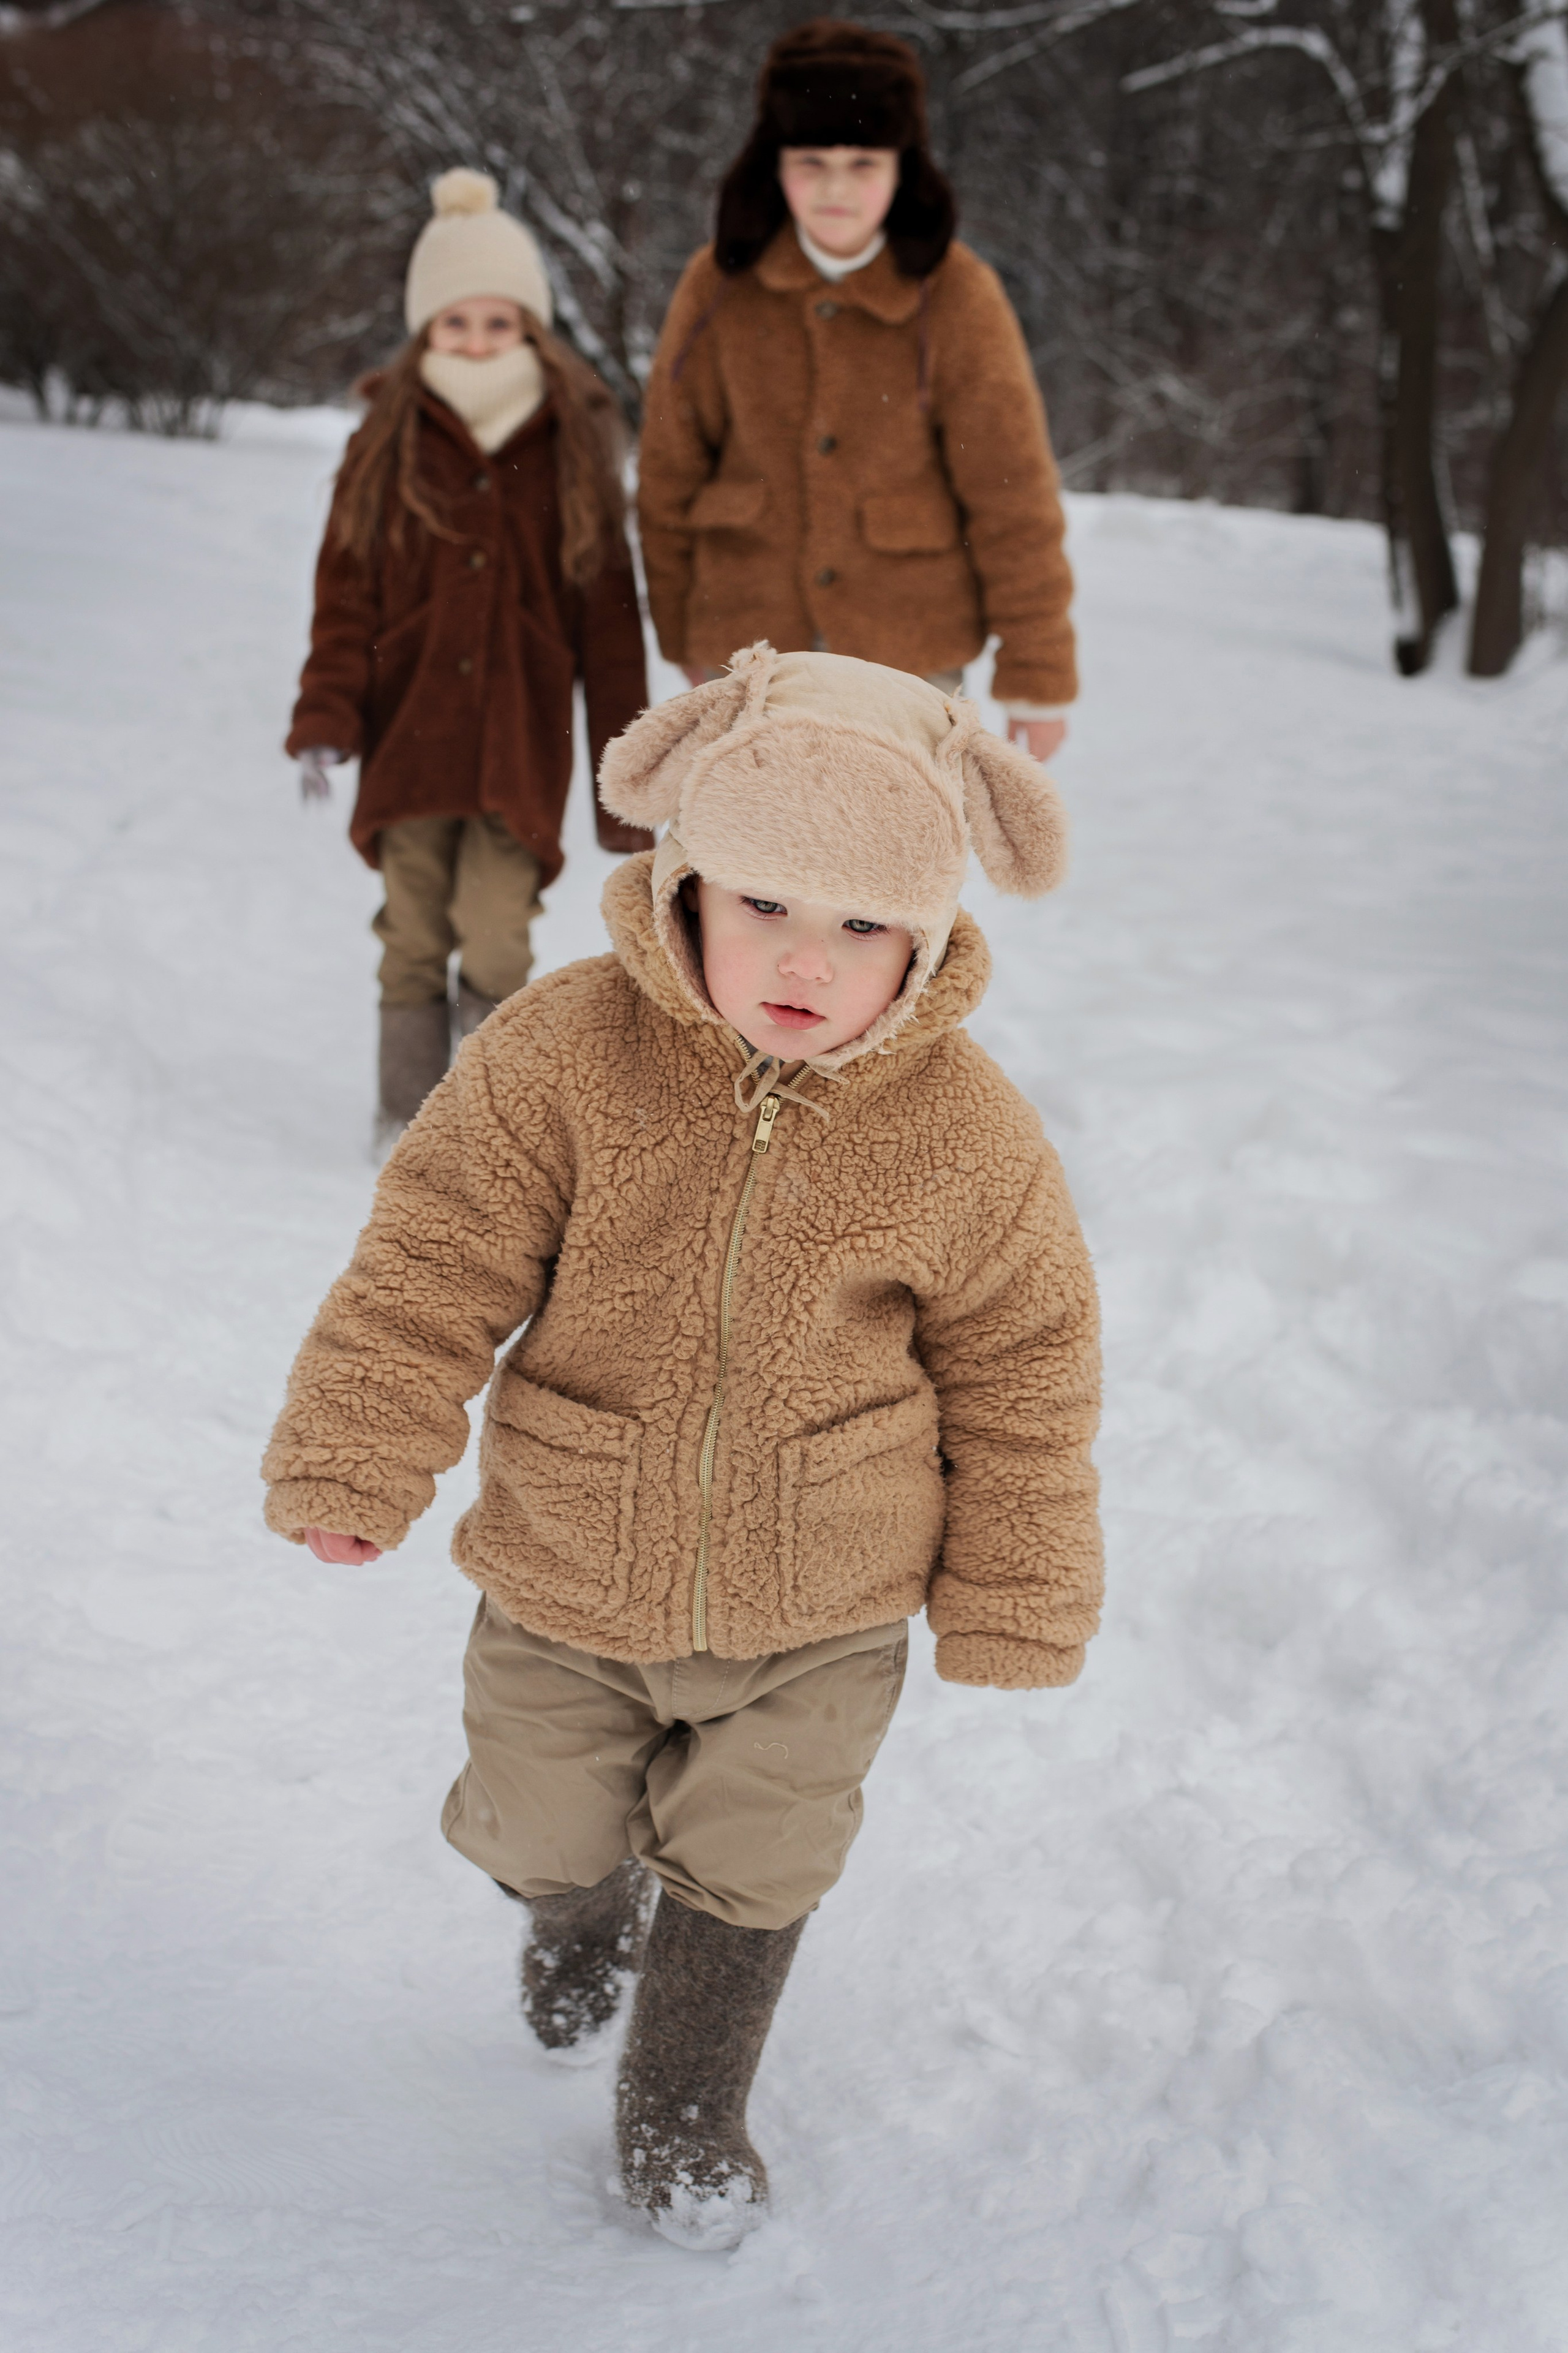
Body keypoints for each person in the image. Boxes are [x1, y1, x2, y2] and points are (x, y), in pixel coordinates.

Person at [261, 644, 1102, 2251]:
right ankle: (578, 1910)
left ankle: (687, 2112)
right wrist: (358, 1453)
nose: (808, 958)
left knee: (760, 1862)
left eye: (865, 924)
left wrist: (1015, 1589)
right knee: (535, 1826)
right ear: (691, 876)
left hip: (825, 1599)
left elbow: (1025, 1366)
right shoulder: (565, 1052)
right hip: (568, 1567)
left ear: (929, 934)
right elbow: (433, 1257)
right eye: (767, 902)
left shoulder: (968, 1132)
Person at [287, 168, 650, 1146]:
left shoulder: (574, 443)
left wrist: (632, 776)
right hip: (408, 741)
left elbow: (611, 625)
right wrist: (325, 719)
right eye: (458, 324)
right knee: (411, 932)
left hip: (518, 745)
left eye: (501, 323)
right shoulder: (386, 442)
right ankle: (404, 1118)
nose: (480, 341)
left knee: (497, 929)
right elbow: (343, 597)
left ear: (532, 328)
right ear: (425, 330)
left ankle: (481, 1126)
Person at [638, 20, 1076, 763]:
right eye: (811, 161)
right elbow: (668, 471)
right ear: (773, 165)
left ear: (903, 168)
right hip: (746, 649)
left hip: (908, 651)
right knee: (739, 866)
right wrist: (681, 627)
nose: (836, 187)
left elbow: (1012, 492)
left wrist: (1037, 670)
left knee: (891, 866)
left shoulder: (957, 293)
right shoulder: (719, 284)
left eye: (863, 163)